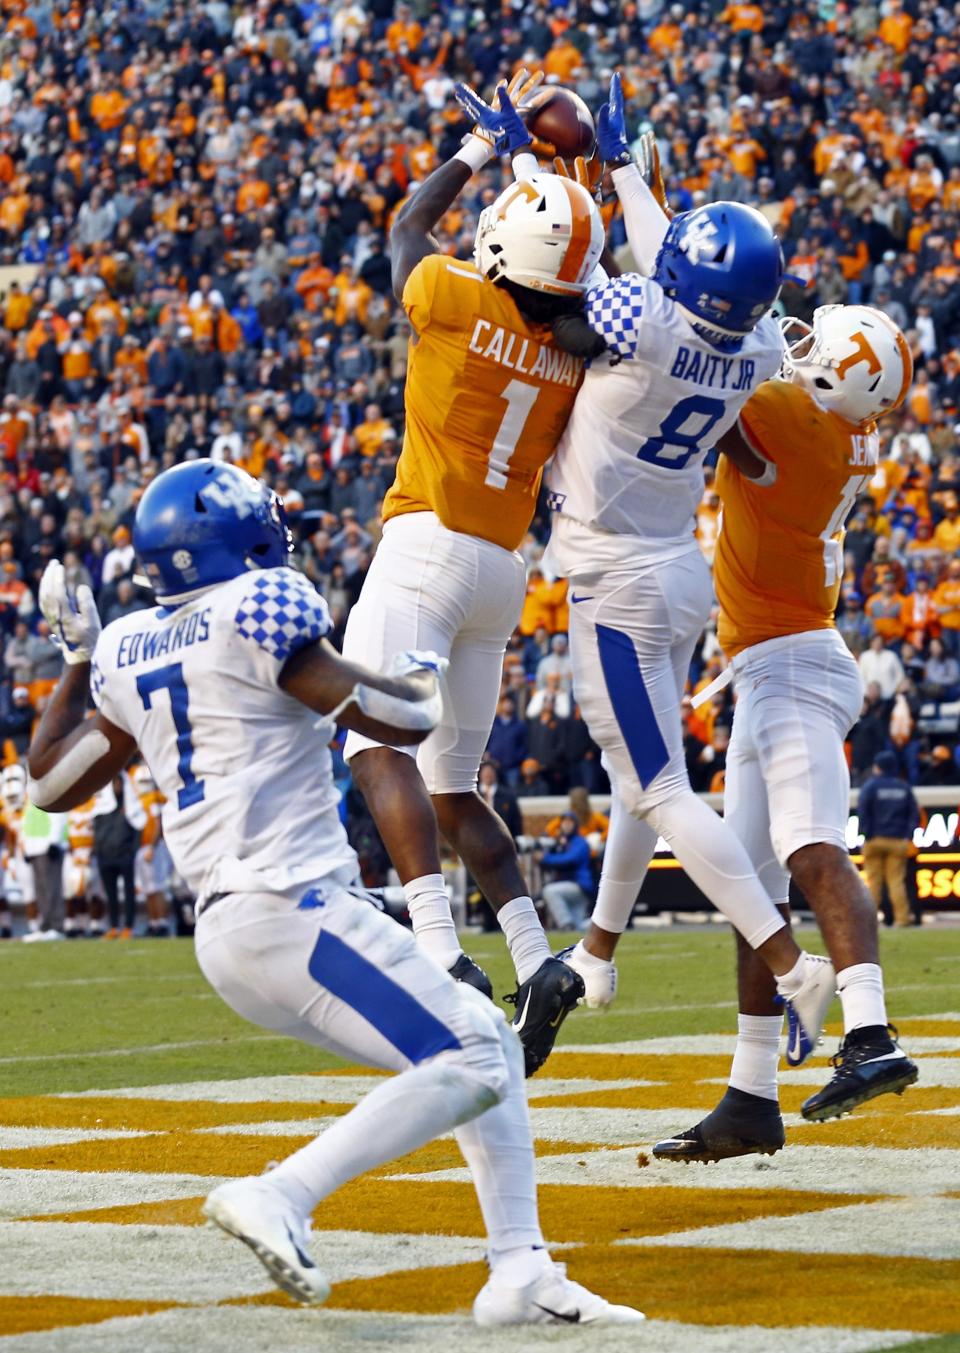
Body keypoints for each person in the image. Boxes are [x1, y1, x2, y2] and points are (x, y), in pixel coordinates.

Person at [26, 460, 640, 1327]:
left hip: (233, 932)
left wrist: (78, 658)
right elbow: (403, 717)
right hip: (293, 907)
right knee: (469, 1053)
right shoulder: (260, 608)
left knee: (482, 1047)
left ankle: (520, 1270)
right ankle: (284, 1191)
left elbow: (48, 784)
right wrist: (426, 658)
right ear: (233, 542)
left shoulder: (129, 649)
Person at [547, 76, 836, 1056]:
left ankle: (793, 965)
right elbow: (668, 251)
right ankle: (598, 948)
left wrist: (531, 170)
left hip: (617, 581)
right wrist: (622, 169)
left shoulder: (640, 318)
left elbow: (563, 281)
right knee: (647, 777)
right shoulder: (756, 342)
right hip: (676, 572)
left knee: (665, 791)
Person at [339, 72, 605, 1075]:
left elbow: (406, 227)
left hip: (428, 542)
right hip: (503, 567)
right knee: (455, 786)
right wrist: (563, 174)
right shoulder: (579, 349)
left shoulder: (453, 296)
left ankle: (441, 949)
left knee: (372, 743)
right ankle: (538, 957)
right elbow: (577, 282)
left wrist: (481, 151)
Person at [859, 750, 921, 929]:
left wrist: (867, 833)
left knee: (873, 882)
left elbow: (863, 811)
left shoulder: (871, 786)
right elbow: (914, 814)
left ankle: (868, 923)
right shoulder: (903, 787)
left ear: (877, 767)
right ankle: (902, 919)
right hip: (897, 841)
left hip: (875, 839)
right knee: (896, 881)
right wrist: (907, 835)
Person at [538, 813, 596, 931]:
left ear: (575, 825)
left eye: (570, 822)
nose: (566, 825)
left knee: (549, 891)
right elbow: (550, 831)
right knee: (579, 926)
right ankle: (602, 925)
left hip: (579, 886)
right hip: (569, 885)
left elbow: (570, 859)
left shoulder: (580, 842)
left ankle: (565, 924)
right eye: (564, 822)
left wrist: (545, 858)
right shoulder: (562, 842)